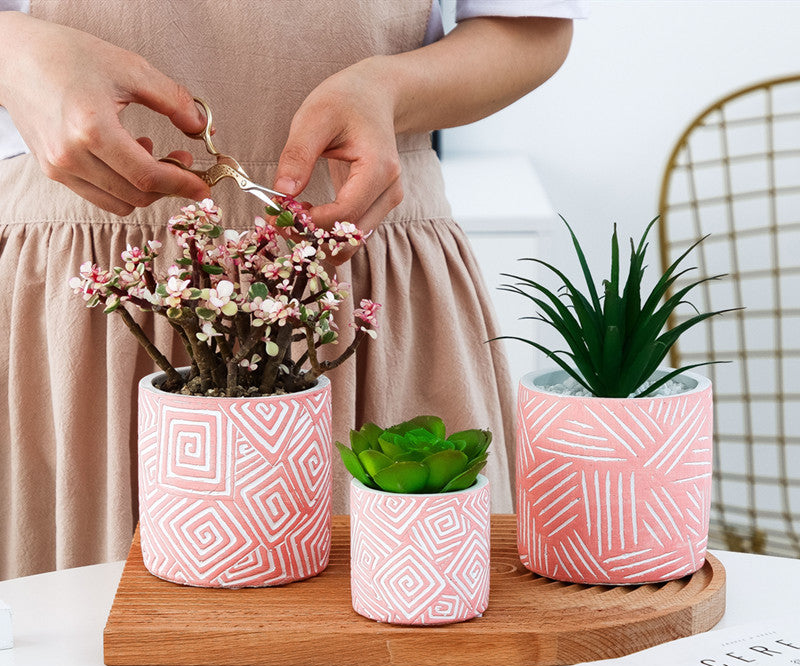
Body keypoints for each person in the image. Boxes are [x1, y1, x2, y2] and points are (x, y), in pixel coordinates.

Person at [0, 0, 584, 579]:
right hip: (95, 294)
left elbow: (534, 29)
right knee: (79, 628)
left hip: (357, 273)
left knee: (409, 624)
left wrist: (389, 90)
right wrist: (17, 57)